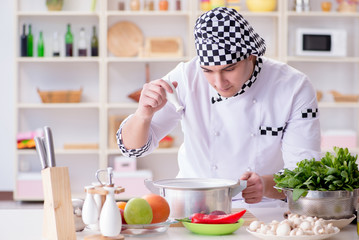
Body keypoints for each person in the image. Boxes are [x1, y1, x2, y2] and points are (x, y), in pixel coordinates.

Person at [117, 7, 321, 205]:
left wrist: (266, 186)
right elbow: (132, 150)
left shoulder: (294, 87)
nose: (219, 82)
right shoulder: (186, 78)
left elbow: (305, 177)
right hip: (192, 206)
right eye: (208, 71)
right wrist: (143, 115)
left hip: (264, 211)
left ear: (251, 55)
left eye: (229, 69)